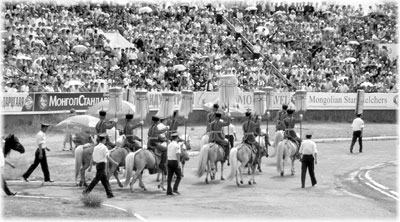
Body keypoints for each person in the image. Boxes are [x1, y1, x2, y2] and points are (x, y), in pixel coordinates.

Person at [82, 133, 116, 198]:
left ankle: (110, 194)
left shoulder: (96, 147)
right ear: (103, 140)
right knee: (96, 180)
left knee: (105, 181)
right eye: (105, 139)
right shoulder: (104, 147)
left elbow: (93, 157)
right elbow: (107, 156)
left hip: (98, 165)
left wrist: (91, 166)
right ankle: (86, 191)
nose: (106, 141)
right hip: (102, 165)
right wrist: (114, 162)